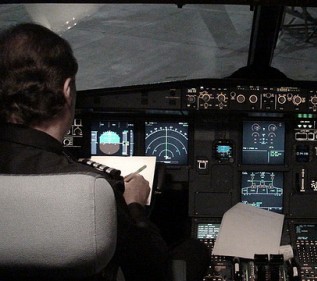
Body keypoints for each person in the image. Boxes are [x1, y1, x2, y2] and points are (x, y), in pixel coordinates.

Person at [0, 23, 208, 281]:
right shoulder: (92, 191)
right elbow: (151, 272)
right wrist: (134, 206)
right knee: (194, 250)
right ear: (67, 92)